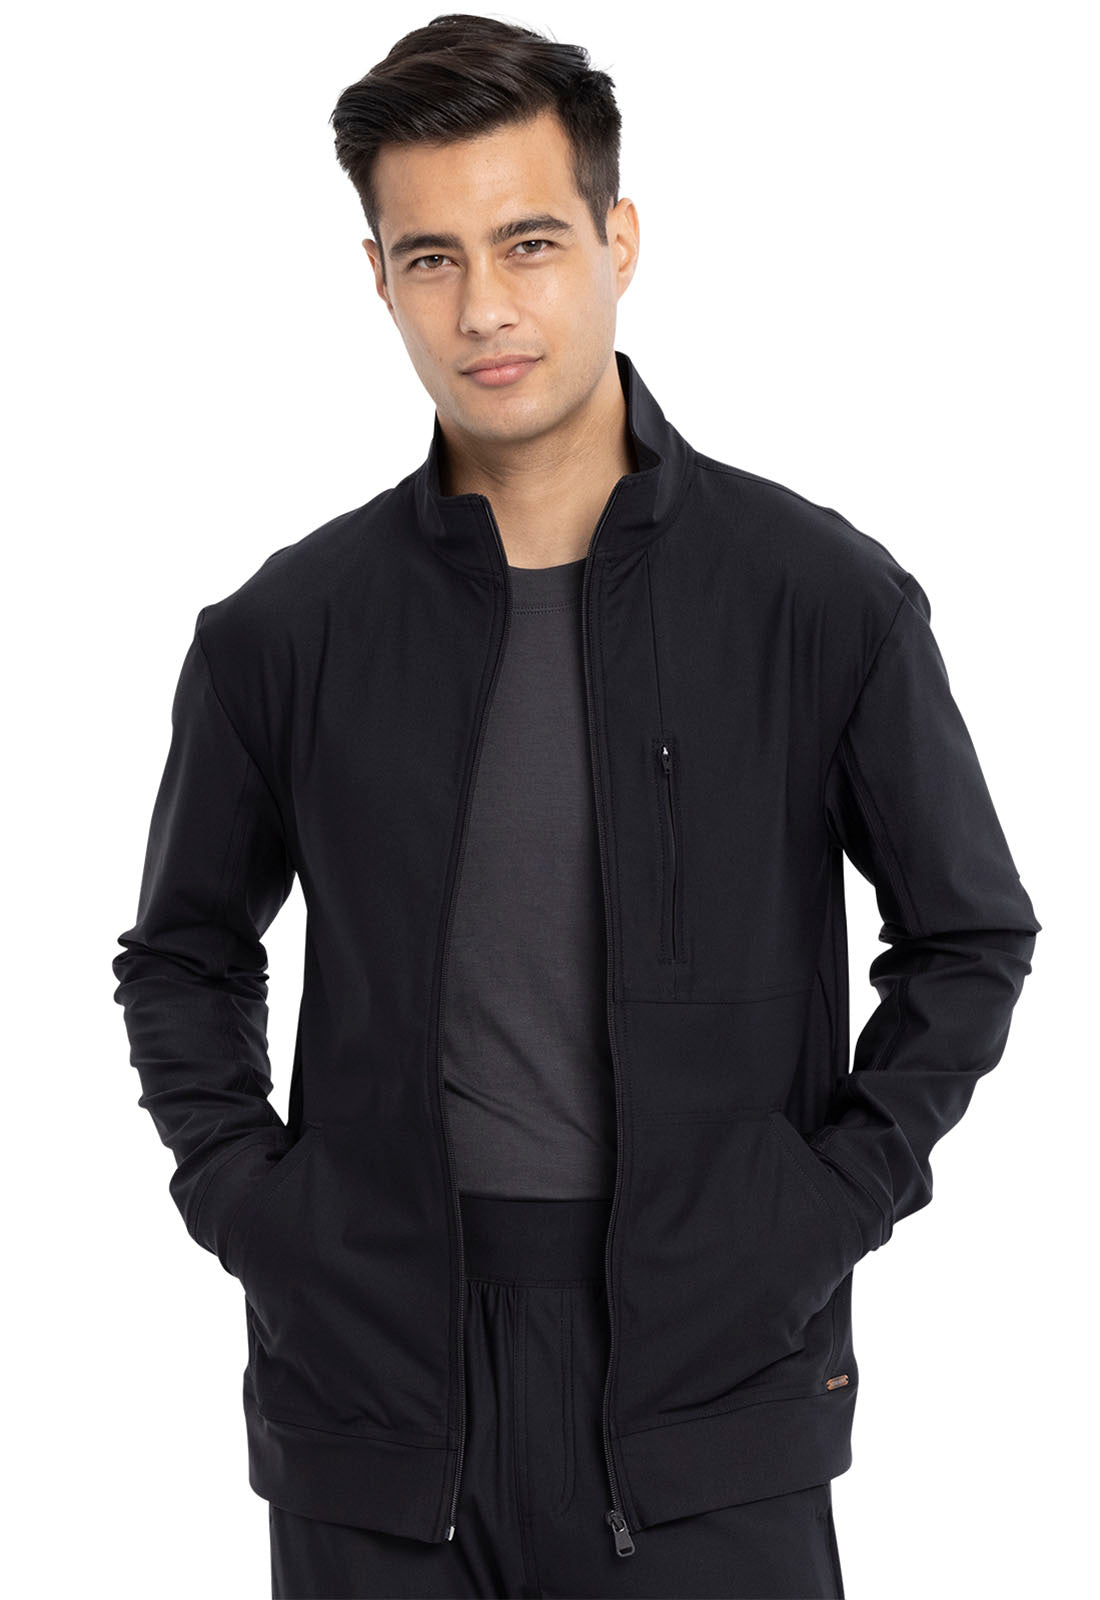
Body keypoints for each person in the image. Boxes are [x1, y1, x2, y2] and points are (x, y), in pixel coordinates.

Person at [111, 14, 1042, 1600]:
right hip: (375, 1386)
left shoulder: (816, 600)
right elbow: (183, 956)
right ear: (379, 278)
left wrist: (822, 1205)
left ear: (620, 240)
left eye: (529, 242)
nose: (484, 306)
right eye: (431, 258)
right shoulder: (287, 632)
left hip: (714, 1384)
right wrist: (256, 1209)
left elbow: (968, 936)